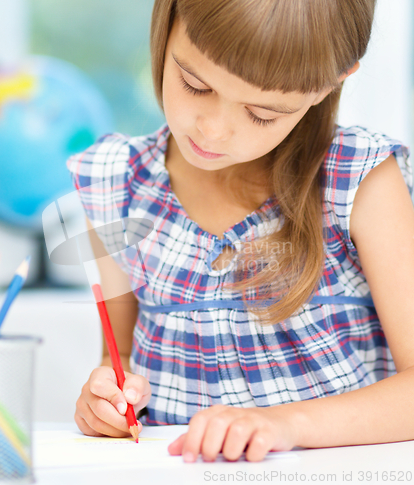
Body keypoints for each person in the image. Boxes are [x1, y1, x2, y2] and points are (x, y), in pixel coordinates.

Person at [69, 0, 414, 462]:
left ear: (332, 83)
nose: (211, 131)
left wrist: (283, 426)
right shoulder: (116, 184)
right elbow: (119, 359)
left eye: (262, 113)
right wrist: (107, 403)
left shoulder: (360, 180)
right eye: (195, 84)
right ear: (166, 23)